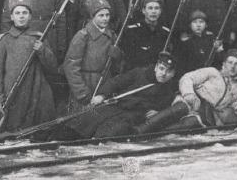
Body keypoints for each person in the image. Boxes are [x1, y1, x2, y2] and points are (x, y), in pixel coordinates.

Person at [50, 52, 180, 140]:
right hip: (118, 105)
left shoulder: (168, 91)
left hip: (134, 115)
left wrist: (158, 112)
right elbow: (116, 82)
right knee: (87, 119)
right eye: (162, 68)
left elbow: (166, 107)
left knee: (111, 130)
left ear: (173, 74)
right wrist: (102, 94)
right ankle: (58, 139)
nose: (164, 74)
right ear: (156, 67)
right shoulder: (140, 73)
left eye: (169, 71)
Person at [0, 0, 57, 133]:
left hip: (36, 89)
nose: (21, 16)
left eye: (25, 13)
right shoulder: (4, 39)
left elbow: (52, 66)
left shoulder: (39, 37)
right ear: (12, 17)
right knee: (11, 127)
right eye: (17, 13)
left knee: (40, 128)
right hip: (14, 91)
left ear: (30, 16)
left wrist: (42, 50)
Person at [63, 0, 121, 112]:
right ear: (92, 17)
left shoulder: (112, 36)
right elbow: (71, 67)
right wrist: (82, 94)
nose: (105, 19)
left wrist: (118, 56)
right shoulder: (82, 36)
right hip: (86, 85)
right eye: (101, 15)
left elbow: (117, 69)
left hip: (104, 85)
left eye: (107, 15)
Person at [176, 49, 237, 127]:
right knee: (175, 112)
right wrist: (188, 93)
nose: (232, 66)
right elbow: (187, 78)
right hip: (189, 104)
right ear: (224, 64)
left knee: (187, 124)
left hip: (206, 115)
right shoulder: (212, 72)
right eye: (230, 62)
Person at [120, 0, 171, 71]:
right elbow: (128, 58)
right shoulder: (132, 31)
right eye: (150, 8)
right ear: (143, 10)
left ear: (160, 11)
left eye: (157, 8)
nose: (153, 11)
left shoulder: (166, 33)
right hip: (136, 74)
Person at [175, 9, 222, 74]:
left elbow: (218, 61)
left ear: (206, 25)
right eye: (194, 22)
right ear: (190, 25)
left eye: (201, 22)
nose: (198, 25)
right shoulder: (186, 43)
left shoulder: (211, 40)